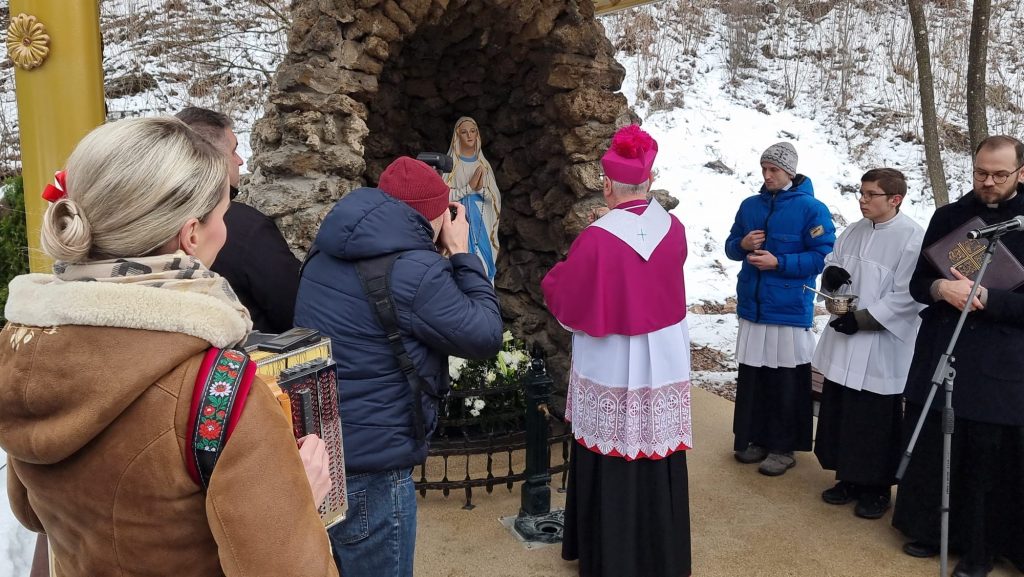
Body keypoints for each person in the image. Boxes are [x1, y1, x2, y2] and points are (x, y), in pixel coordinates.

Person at [0, 117, 337, 576]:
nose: (227, 229)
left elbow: (29, 514)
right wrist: (294, 501)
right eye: (223, 213)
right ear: (191, 234)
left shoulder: (22, 353)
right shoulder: (220, 392)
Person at [294, 156, 503, 577]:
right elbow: (484, 335)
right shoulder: (416, 269)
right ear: (433, 215)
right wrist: (461, 253)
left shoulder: (329, 243)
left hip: (328, 451)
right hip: (376, 465)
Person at [543, 125, 692, 577]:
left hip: (611, 363)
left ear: (606, 184)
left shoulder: (598, 237)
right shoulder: (674, 227)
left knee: (611, 455)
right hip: (663, 363)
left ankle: (612, 558)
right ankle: (660, 555)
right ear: (648, 182)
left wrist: (557, 273)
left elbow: (569, 305)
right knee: (656, 453)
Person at [892, 135, 1024, 577]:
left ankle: (981, 548)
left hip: (999, 365)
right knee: (936, 443)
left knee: (986, 457)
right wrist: (938, 287)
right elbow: (917, 283)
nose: (988, 182)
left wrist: (991, 297)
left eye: (999, 175)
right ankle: (929, 528)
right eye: (981, 173)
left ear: (1020, 173)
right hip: (942, 350)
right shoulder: (950, 216)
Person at [811, 168, 925, 519]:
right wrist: (829, 276)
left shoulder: (911, 239)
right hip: (846, 341)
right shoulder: (854, 230)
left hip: (880, 345)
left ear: (895, 199)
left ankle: (876, 489)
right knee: (842, 410)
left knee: (874, 420)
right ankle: (846, 477)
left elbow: (908, 297)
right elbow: (834, 263)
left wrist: (861, 320)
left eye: (871, 194)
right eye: (861, 192)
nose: (862, 199)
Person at [725, 142, 835, 476]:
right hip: (754, 307)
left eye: (773, 169)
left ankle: (783, 446)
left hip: (788, 308)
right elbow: (731, 246)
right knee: (755, 378)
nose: (767, 175)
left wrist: (779, 262)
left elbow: (823, 257)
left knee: (785, 380)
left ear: (789, 171)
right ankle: (756, 438)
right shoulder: (750, 206)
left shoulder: (812, 209)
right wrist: (742, 245)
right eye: (764, 169)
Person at [176, 106, 301, 334]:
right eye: (233, 151)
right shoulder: (246, 228)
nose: (241, 160)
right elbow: (295, 308)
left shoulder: (150, 218)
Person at [445, 116, 501, 282]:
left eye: (473, 131)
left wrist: (481, 190)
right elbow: (445, 196)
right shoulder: (452, 166)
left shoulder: (483, 166)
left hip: (481, 224)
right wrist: (468, 188)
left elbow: (495, 200)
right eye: (464, 132)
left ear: (478, 135)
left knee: (483, 265)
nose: (469, 135)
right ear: (457, 136)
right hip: (459, 221)